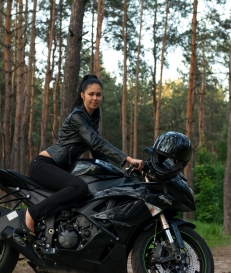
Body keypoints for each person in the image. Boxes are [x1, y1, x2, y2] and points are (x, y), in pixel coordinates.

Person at [20, 74, 143, 239]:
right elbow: (96, 142)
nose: (95, 98)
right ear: (82, 95)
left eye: (98, 94)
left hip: (58, 168)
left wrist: (119, 174)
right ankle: (32, 213)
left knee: (90, 189)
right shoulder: (77, 116)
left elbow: (97, 152)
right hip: (44, 165)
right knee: (80, 187)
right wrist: (127, 159)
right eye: (91, 94)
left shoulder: (91, 118)